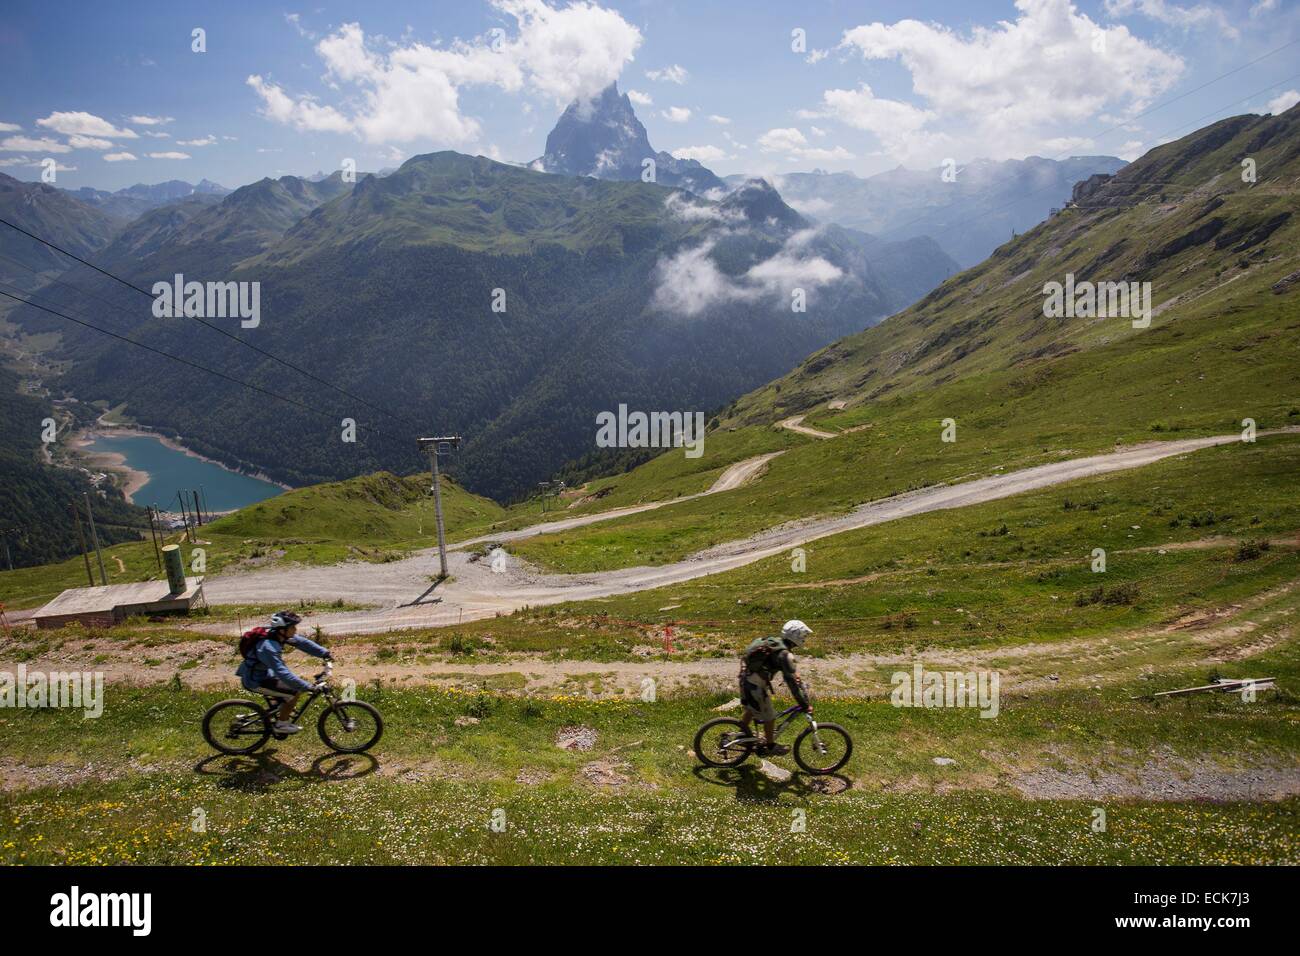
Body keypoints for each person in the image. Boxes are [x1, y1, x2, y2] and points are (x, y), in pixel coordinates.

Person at [236, 610, 332, 734]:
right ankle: (281, 725)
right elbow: (282, 672)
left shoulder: (278, 635)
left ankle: (274, 716)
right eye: (292, 627)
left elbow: (302, 642)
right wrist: (307, 686)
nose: (295, 630)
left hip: (265, 674)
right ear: (283, 630)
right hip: (255, 680)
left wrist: (324, 653)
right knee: (293, 692)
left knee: (286, 694)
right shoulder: (268, 647)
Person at [736, 620, 812, 756]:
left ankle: (742, 735)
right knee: (770, 716)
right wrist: (804, 704)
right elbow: (791, 684)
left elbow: (788, 669)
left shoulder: (776, 643)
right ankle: (770, 746)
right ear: (796, 636)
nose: (804, 639)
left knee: (751, 709)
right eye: (803, 636)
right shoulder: (785, 654)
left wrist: (794, 673)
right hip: (755, 685)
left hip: (746, 678)